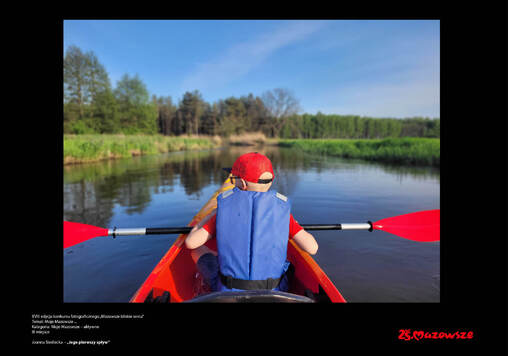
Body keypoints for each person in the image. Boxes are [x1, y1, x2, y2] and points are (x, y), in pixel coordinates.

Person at [185, 152, 319, 293]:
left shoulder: (222, 211)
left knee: (197, 251)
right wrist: (292, 225)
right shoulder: (283, 213)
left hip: (229, 291)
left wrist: (210, 215)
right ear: (271, 181)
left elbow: (191, 242)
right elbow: (312, 248)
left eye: (233, 178)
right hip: (273, 290)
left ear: (241, 183)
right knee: (287, 262)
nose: (232, 182)